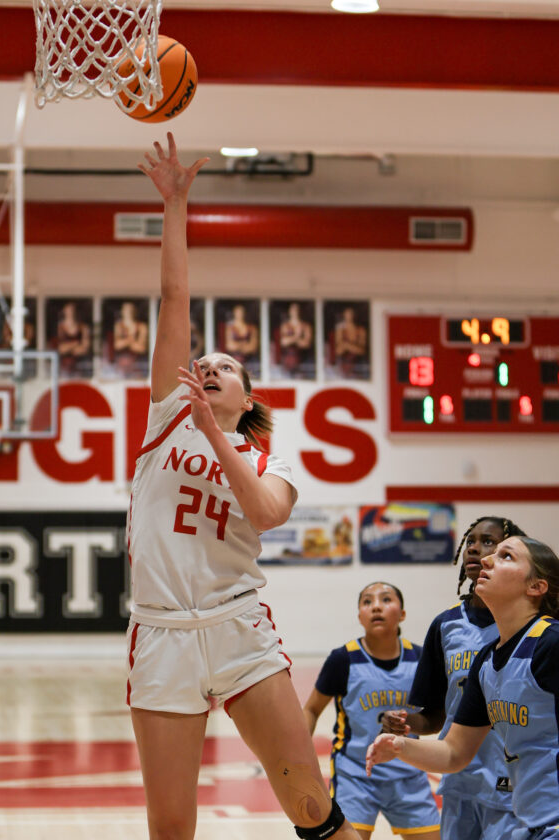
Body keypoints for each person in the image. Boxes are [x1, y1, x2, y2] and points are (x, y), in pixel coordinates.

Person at [127, 132, 360, 840]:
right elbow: (173, 296)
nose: (208, 368)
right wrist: (175, 204)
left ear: (246, 397)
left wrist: (216, 435)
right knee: (171, 827)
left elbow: (263, 517)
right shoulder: (167, 418)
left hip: (238, 627)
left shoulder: (269, 462)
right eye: (202, 362)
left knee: (310, 806)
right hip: (162, 631)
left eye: (224, 368)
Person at [367, 535, 559, 840]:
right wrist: (401, 746)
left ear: (535, 587)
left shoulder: (551, 643)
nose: (486, 559)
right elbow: (454, 752)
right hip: (531, 823)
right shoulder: (486, 660)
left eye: (506, 556)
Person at [303, 582, 440, 840]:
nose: (376, 606)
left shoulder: (421, 658)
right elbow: (311, 709)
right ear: (360, 617)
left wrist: (408, 722)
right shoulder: (342, 659)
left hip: (409, 774)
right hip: (355, 774)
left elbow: (435, 716)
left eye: (386, 599)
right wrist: (300, 755)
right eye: (367, 602)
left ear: (402, 614)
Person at [53, 300, 91, 378]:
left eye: (73, 310)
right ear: (64, 311)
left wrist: (68, 347)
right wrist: (75, 344)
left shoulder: (83, 328)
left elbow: (84, 349)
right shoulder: (60, 328)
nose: (71, 313)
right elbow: (60, 349)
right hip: (63, 370)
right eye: (69, 310)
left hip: (80, 369)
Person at [112, 300, 149, 377]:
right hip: (120, 366)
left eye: (130, 310)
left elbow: (141, 348)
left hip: (137, 365)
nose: (127, 313)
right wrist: (131, 340)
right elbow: (117, 345)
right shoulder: (119, 326)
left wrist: (125, 342)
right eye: (125, 310)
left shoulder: (141, 326)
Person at [279, 302, 313, 376]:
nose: (295, 312)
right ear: (289, 311)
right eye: (293, 310)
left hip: (303, 358)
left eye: (297, 310)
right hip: (288, 358)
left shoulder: (306, 326)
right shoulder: (285, 326)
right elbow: (283, 342)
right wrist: (297, 336)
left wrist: (291, 339)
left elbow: (306, 344)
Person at [333, 306, 367, 378]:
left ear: (355, 315)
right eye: (347, 314)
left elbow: (362, 351)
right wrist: (354, 347)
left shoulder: (360, 330)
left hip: (357, 365)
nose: (349, 316)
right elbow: (338, 351)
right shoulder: (340, 330)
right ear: (344, 315)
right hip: (342, 366)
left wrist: (346, 345)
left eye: (351, 314)